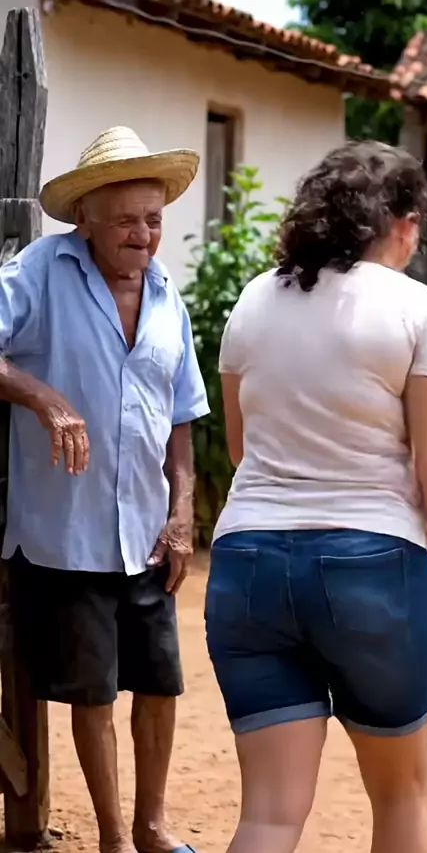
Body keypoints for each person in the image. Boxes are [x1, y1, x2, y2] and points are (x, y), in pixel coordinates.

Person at [205, 140, 427, 853]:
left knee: (268, 815)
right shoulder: (417, 308)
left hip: (248, 563)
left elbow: (241, 449)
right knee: (402, 798)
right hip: (371, 566)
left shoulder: (254, 299)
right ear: (405, 224)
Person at [0, 126, 208, 853]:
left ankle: (152, 828)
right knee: (91, 692)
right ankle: (115, 839)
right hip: (67, 532)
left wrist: (182, 513)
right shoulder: (40, 271)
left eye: (153, 219)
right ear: (84, 216)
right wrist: (43, 397)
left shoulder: (166, 294)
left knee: (160, 684)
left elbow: (181, 415)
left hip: (146, 533)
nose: (143, 235)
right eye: (125, 221)